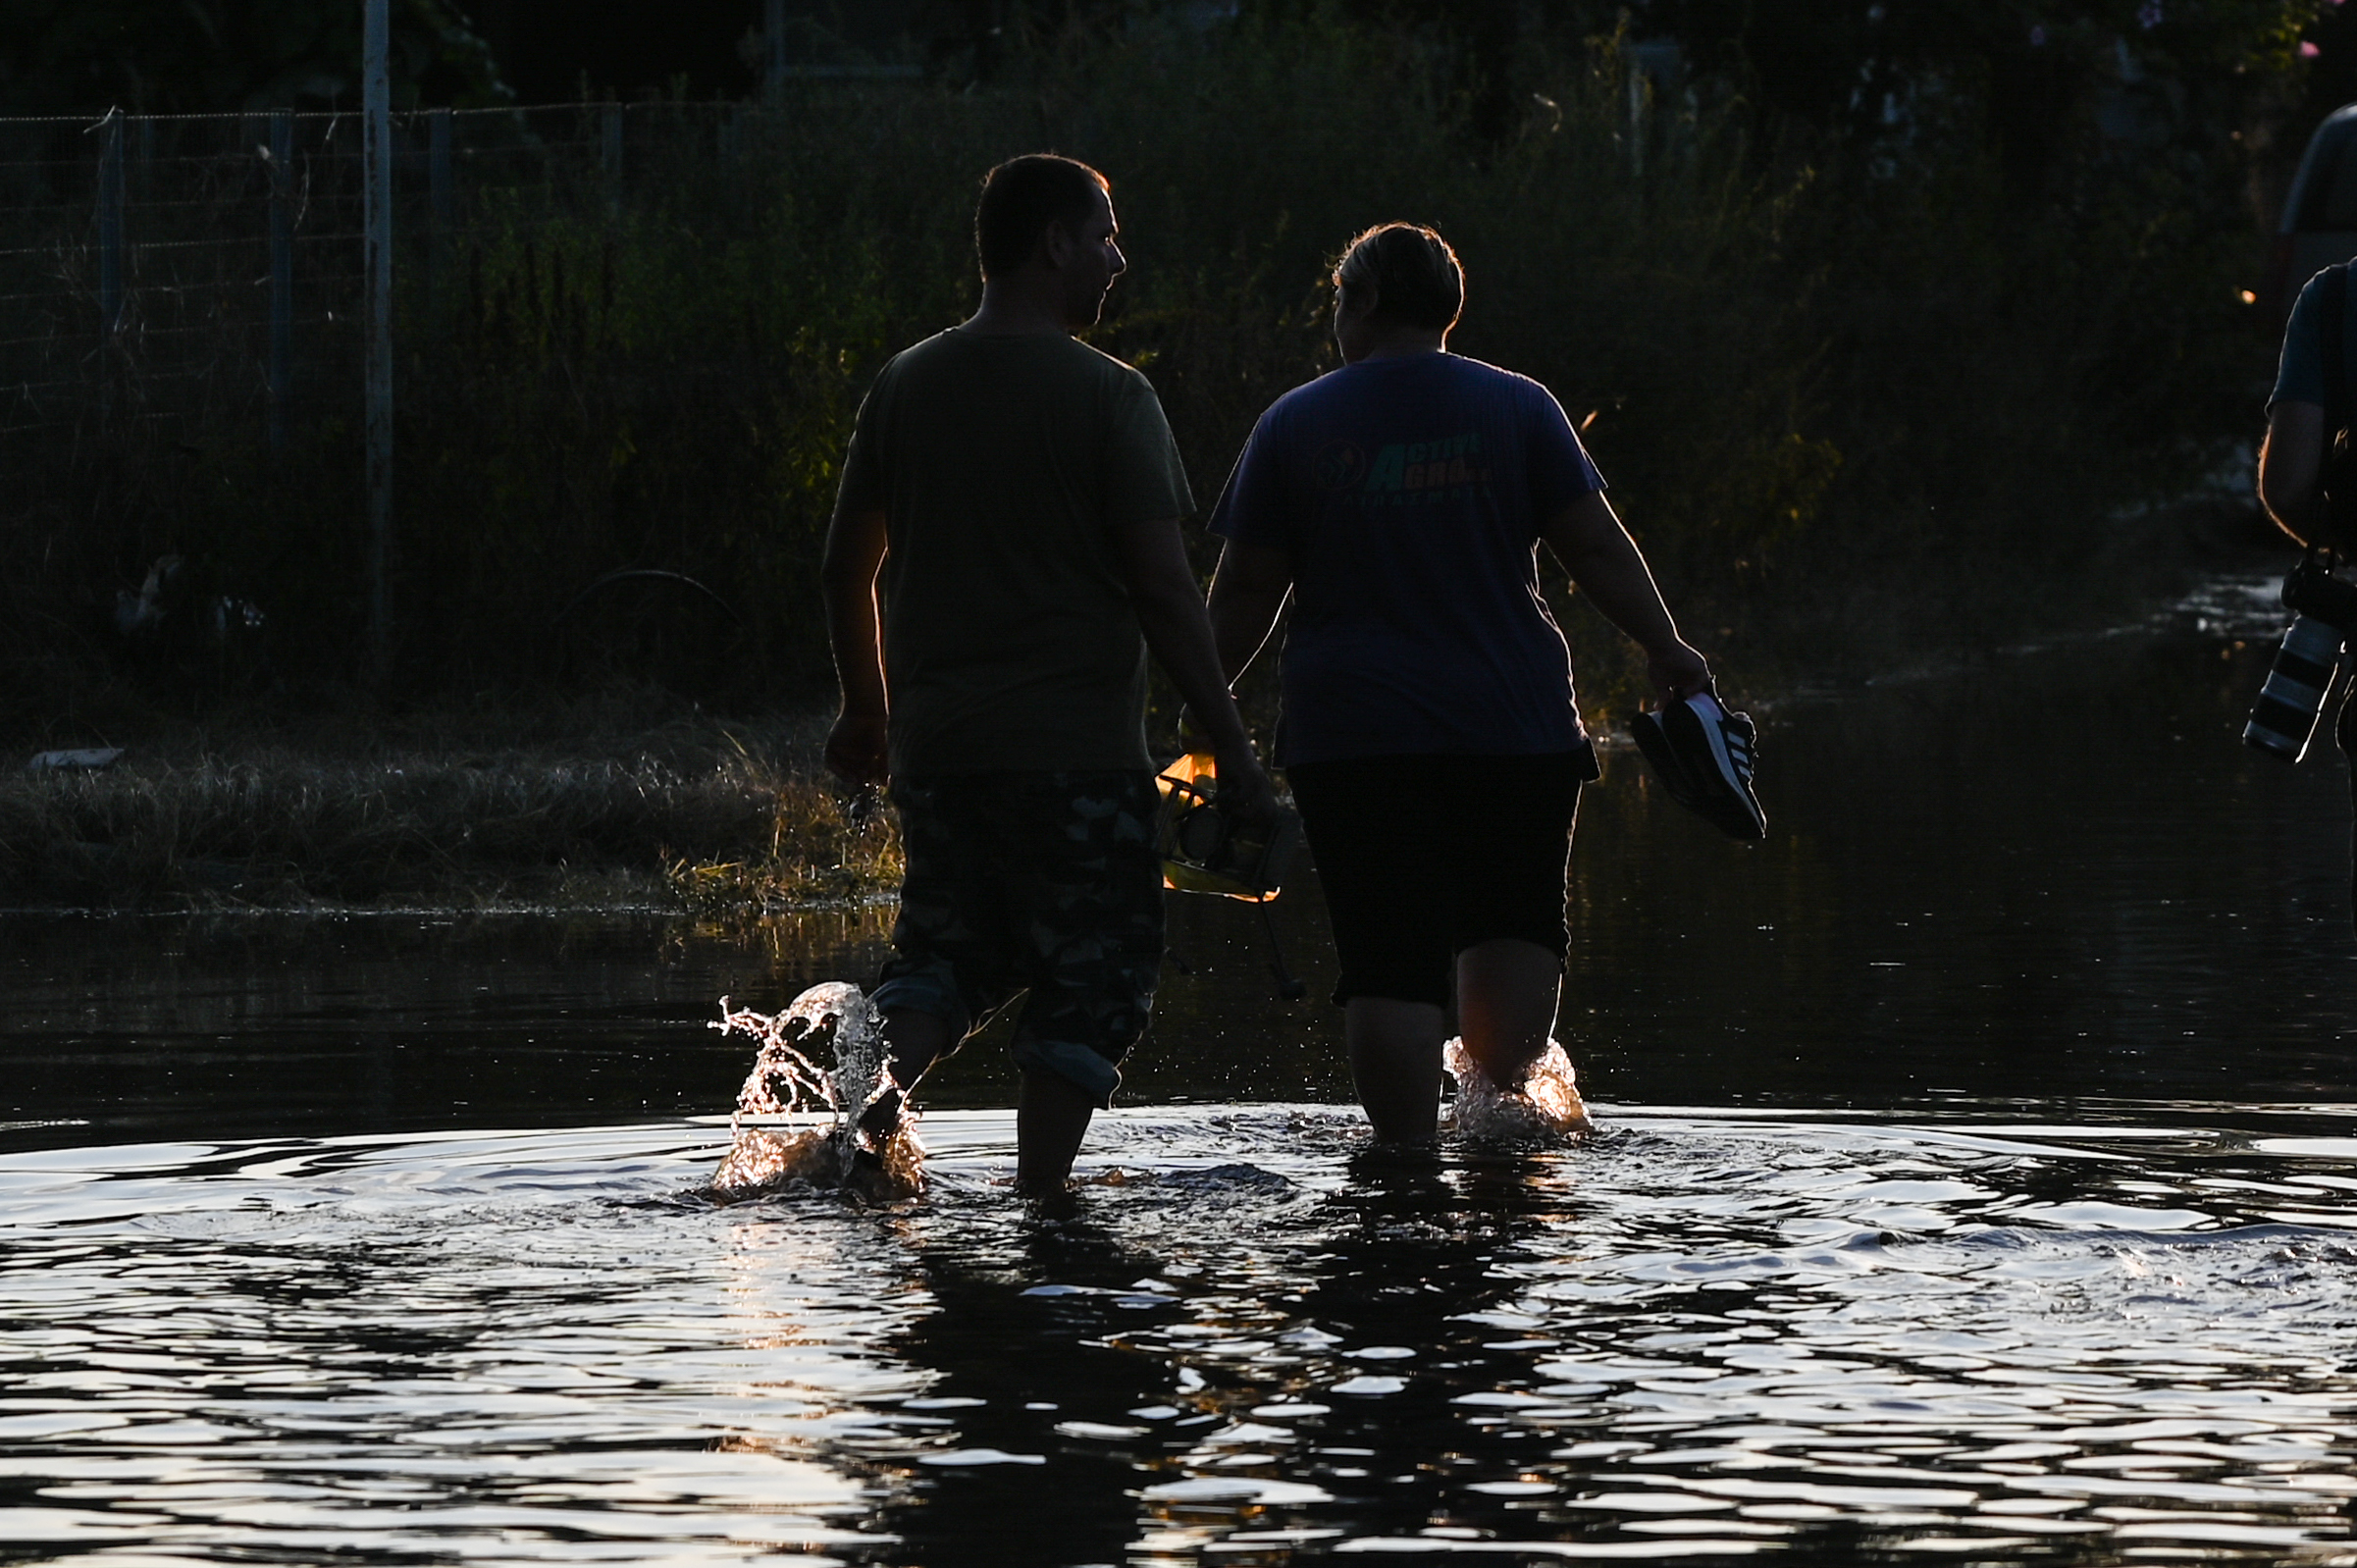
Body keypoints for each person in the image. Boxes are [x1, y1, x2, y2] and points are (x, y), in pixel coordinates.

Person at [821, 153, 1276, 1196]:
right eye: (1104, 235)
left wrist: (865, 705)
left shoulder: (905, 383)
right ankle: (1039, 1201)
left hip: (941, 758)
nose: (1118, 258)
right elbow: (1164, 592)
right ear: (1052, 243)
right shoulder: (1112, 398)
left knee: (942, 961)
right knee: (1095, 974)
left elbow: (848, 563)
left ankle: (862, 1124)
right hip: (1078, 761)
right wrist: (1230, 746)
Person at [1204, 222, 1713, 1143]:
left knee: (1388, 955)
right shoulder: (1519, 408)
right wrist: (1665, 646)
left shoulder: (1294, 423)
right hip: (1512, 726)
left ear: (1358, 303)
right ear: (1448, 307)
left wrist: (1206, 706)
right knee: (1512, 925)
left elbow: (1245, 591)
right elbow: (1592, 544)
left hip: (1356, 739)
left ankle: (1403, 1160)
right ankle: (1498, 1132)